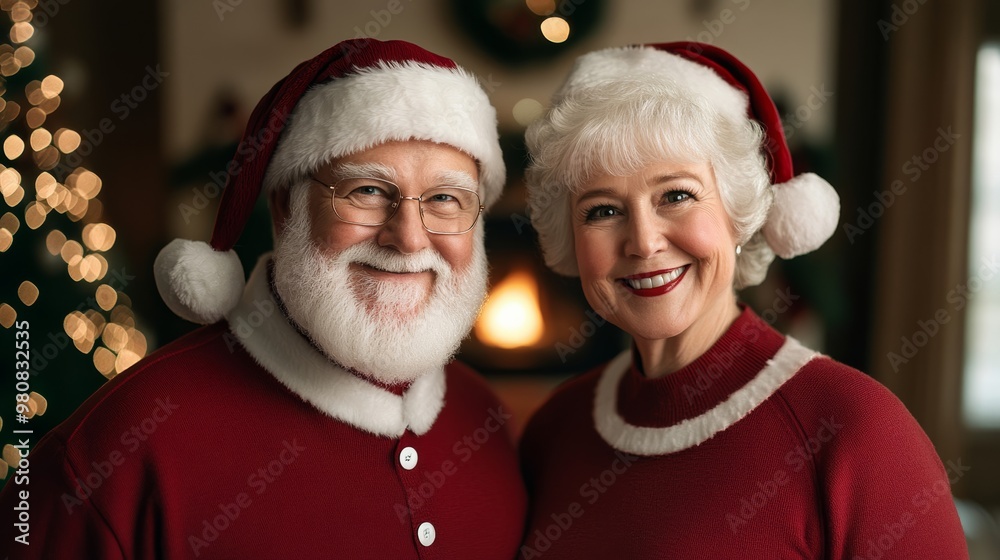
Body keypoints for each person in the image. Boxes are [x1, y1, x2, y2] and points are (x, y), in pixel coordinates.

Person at [0, 39, 526, 559]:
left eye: (445, 199)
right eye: (366, 190)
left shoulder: (487, 419)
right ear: (285, 208)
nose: (410, 238)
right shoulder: (118, 449)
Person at [517, 42, 969, 558]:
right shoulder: (555, 429)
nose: (643, 241)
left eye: (676, 195)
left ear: (737, 213)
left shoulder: (857, 430)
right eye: (602, 210)